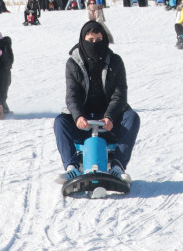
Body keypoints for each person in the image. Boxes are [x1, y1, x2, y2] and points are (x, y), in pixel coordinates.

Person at [52, 21, 141, 184]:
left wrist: (110, 117)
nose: (94, 44)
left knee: (132, 117)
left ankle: (117, 168)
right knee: (60, 122)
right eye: (90, 40)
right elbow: (72, 95)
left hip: (109, 122)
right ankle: (71, 168)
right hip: (84, 122)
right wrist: (78, 116)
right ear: (83, 40)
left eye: (99, 40)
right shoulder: (73, 63)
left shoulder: (115, 61)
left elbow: (119, 94)